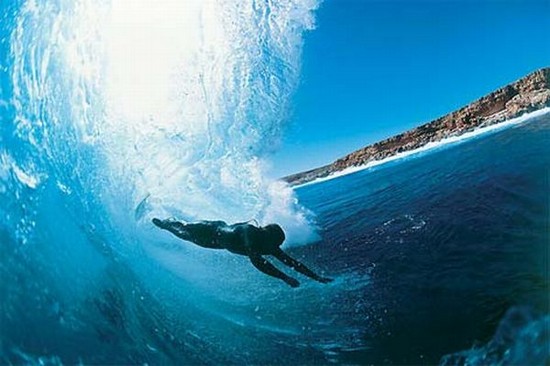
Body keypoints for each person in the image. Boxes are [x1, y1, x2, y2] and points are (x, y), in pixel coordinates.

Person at [152, 218, 333, 288]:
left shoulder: (268, 244)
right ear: (265, 233)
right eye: (273, 243)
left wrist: (317, 278)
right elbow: (256, 260)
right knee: (183, 232)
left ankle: (171, 222)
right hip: (210, 231)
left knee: (185, 232)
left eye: (275, 245)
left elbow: (292, 262)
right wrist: (284, 278)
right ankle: (165, 224)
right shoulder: (250, 232)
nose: (274, 248)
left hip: (217, 242)